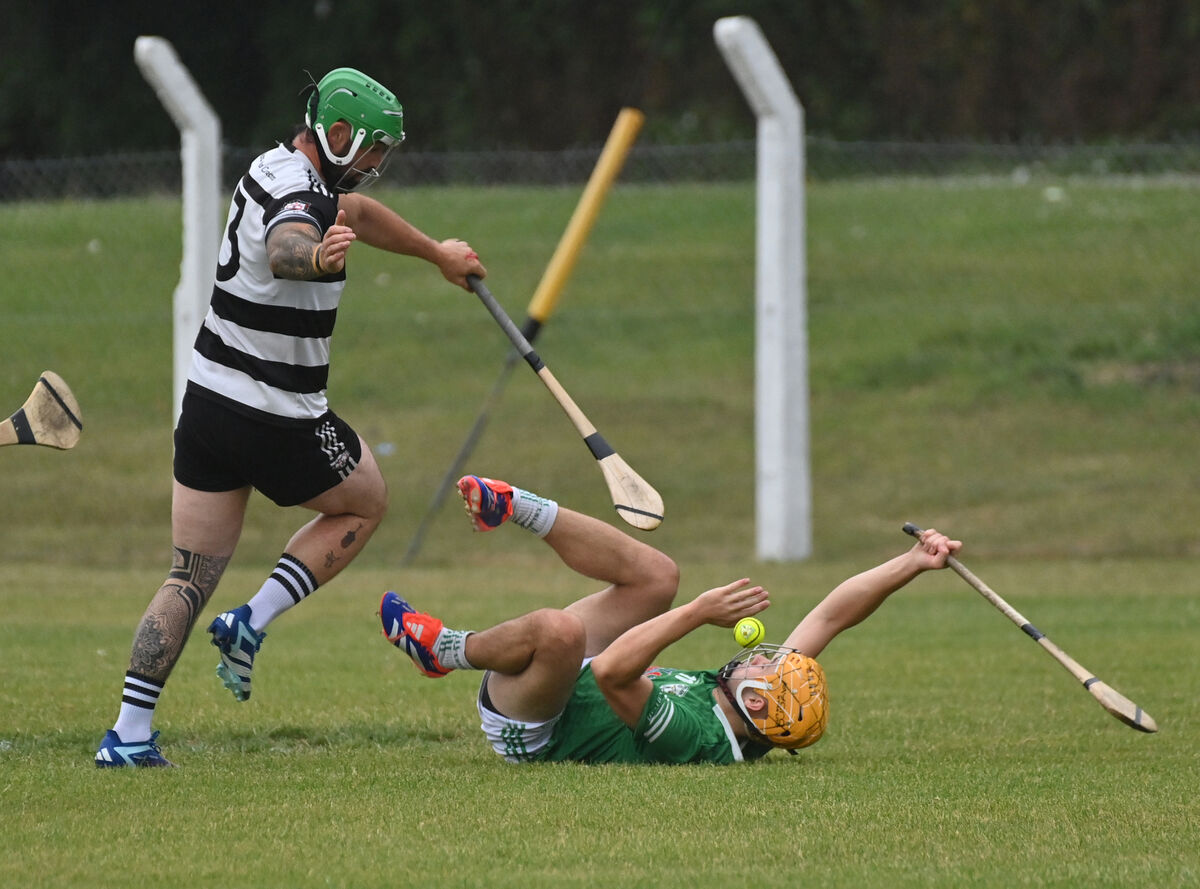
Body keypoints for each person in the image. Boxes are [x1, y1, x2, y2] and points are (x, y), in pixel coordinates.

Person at [95, 67, 486, 768]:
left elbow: (357, 216)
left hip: (208, 407)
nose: (375, 165)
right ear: (339, 133)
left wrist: (437, 255)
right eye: (371, 150)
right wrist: (314, 256)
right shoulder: (300, 196)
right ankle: (252, 620)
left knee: (187, 575)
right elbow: (286, 245)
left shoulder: (278, 168)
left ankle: (126, 733)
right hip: (277, 417)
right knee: (365, 501)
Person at [380, 475, 962, 764]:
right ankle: (518, 506)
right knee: (659, 574)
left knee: (561, 630)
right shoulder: (757, 705)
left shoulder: (696, 738)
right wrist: (913, 562)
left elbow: (611, 672)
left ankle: (448, 650)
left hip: (536, 725)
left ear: (757, 701)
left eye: (766, 664)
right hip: (574, 679)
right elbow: (832, 616)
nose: (762, 656)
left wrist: (696, 613)